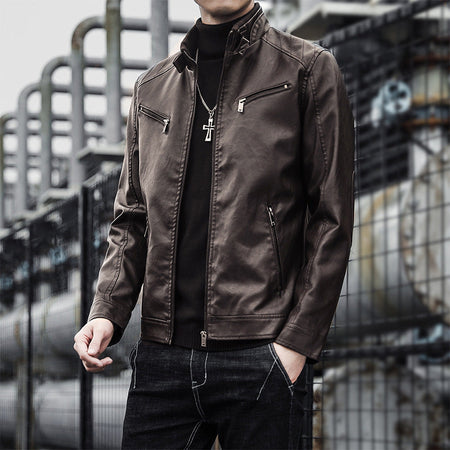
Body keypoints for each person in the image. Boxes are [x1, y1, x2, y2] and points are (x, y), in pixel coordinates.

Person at [73, 0, 355, 448]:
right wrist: (107, 310)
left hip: (262, 354)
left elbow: (332, 217)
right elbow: (132, 219)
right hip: (162, 359)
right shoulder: (152, 89)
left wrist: (296, 344)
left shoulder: (307, 68)